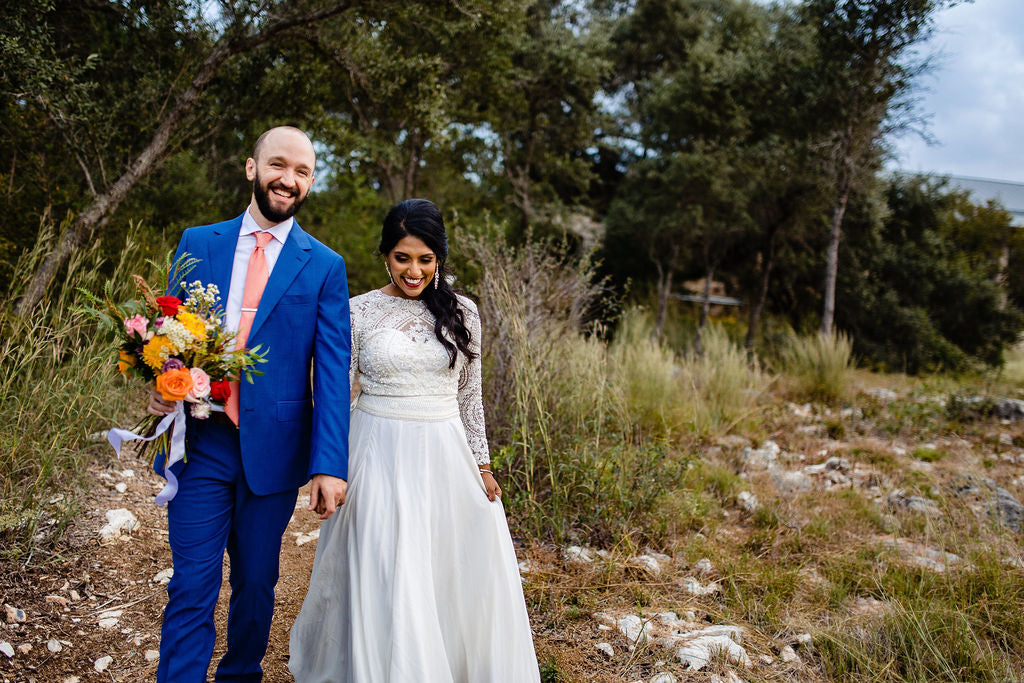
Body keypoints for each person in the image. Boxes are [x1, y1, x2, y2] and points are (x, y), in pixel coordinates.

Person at [288, 198, 540, 682]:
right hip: (377, 450)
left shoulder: (463, 311)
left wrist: (482, 466)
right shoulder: (359, 311)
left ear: (439, 258)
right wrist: (329, 467)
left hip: (445, 456)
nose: (414, 270)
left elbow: (471, 397)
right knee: (385, 565)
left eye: (425, 259)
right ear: (386, 254)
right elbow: (336, 395)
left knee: (446, 569)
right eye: (403, 257)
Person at [146, 126, 351, 682]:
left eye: (303, 171)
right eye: (278, 165)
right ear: (251, 168)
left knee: (258, 582)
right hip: (202, 440)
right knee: (192, 583)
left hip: (276, 452)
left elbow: (332, 370)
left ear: (310, 182)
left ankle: (241, 674)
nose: (289, 179)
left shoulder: (325, 265)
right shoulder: (199, 242)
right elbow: (169, 333)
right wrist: (164, 376)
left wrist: (329, 463)